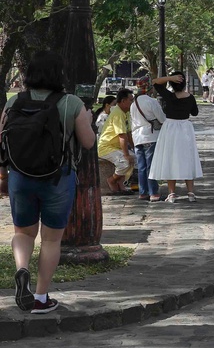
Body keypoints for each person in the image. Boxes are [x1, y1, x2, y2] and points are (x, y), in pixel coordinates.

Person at [0, 51, 96, 314]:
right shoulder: (71, 103)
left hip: (20, 177)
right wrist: (86, 119)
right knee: (51, 240)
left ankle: (22, 270)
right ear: (59, 74)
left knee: (22, 233)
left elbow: (2, 138)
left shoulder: (14, 102)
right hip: (58, 179)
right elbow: (88, 143)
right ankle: (41, 298)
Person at [148, 72, 203, 203]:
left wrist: (169, 78)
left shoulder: (169, 96)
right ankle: (190, 193)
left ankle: (172, 193)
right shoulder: (190, 98)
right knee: (187, 158)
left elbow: (155, 81)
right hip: (185, 128)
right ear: (185, 84)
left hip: (170, 128)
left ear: (172, 84)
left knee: (169, 158)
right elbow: (194, 113)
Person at [130, 76, 167, 202]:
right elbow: (162, 119)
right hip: (150, 135)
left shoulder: (133, 103)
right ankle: (153, 193)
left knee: (141, 166)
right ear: (149, 88)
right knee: (151, 165)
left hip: (137, 137)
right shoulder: (152, 102)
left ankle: (143, 192)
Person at [98, 88, 135, 195]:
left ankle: (120, 182)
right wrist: (127, 154)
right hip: (106, 147)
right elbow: (122, 136)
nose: (132, 102)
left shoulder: (126, 112)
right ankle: (112, 180)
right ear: (123, 101)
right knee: (125, 162)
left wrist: (134, 148)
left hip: (116, 148)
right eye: (131, 100)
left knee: (136, 159)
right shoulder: (118, 113)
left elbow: (128, 133)